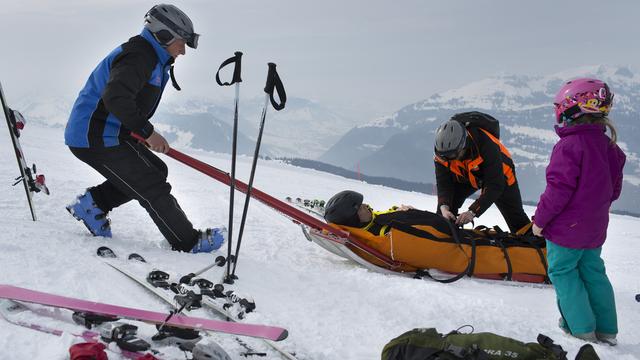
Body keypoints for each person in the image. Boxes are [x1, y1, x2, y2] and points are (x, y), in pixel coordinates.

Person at [64, 4, 224, 253]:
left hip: (109, 132)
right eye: (181, 43)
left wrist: (136, 132)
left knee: (156, 170)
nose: (183, 51)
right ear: (163, 35)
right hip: (93, 135)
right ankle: (187, 241)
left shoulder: (152, 56)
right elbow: (116, 97)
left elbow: (125, 101)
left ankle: (93, 203)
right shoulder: (140, 56)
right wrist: (147, 132)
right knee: (151, 184)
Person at [532, 78, 625, 345]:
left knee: (563, 272)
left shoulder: (569, 146)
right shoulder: (610, 148)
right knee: (593, 272)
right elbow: (613, 191)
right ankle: (607, 330)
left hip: (566, 230)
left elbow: (557, 191)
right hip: (595, 228)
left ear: (572, 109)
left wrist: (540, 221)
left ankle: (581, 328)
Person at [433, 111, 531, 233]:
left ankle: (534, 244)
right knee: (443, 215)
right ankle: (444, 240)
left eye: (454, 155)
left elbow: (494, 186)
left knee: (516, 218)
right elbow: (444, 184)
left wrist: (472, 212)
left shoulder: (487, 145)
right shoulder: (442, 154)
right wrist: (444, 208)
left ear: (464, 144)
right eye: (446, 157)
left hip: (500, 176)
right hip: (465, 175)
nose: (451, 159)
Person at [324, 190, 437, 236]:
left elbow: (381, 214)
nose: (366, 206)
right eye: (360, 207)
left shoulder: (371, 220)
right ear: (353, 219)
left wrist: (398, 210)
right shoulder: (380, 233)